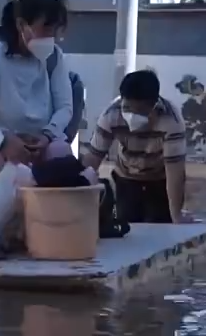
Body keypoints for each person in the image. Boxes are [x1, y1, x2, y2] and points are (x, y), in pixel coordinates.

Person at [0, 0, 75, 197]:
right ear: (22, 25)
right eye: (45, 28)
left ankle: (53, 222)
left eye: (55, 29)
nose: (51, 37)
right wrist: (2, 141)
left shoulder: (54, 58)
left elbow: (65, 107)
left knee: (61, 154)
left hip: (40, 141)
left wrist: (47, 136)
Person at [80, 69, 188, 223]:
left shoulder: (171, 121)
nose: (131, 115)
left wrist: (177, 216)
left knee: (161, 225)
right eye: (127, 108)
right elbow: (93, 159)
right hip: (126, 177)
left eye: (139, 111)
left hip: (160, 180)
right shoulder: (111, 115)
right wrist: (78, 194)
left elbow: (175, 173)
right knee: (127, 222)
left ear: (153, 105)